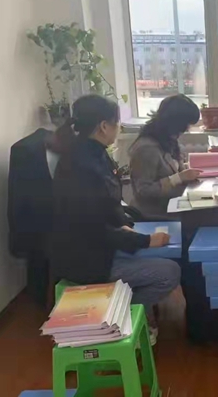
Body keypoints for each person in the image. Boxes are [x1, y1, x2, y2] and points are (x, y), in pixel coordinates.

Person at [49, 95, 181, 345]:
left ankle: (128, 312)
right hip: (88, 259)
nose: (118, 128)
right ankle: (124, 319)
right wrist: (144, 241)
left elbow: (107, 206)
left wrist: (127, 225)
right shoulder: (81, 167)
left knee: (162, 255)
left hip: (99, 246)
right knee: (169, 272)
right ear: (103, 126)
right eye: (117, 123)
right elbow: (93, 228)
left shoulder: (90, 154)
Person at [129, 94, 201, 217]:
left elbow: (174, 166)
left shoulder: (167, 140)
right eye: (185, 126)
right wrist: (178, 178)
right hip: (155, 214)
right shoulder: (146, 149)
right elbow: (143, 191)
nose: (186, 130)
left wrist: (186, 171)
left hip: (174, 205)